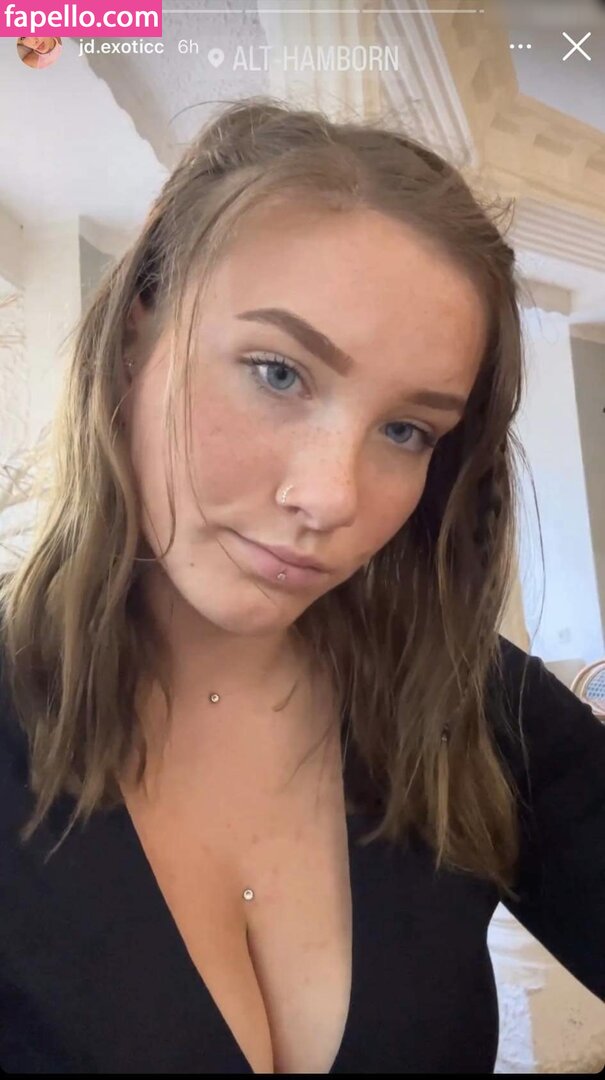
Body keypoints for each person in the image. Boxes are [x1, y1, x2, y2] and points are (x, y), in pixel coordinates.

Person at [0, 97, 603, 1075]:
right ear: (136, 334)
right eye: (277, 373)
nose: (331, 498)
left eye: (405, 431)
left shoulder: (468, 707)